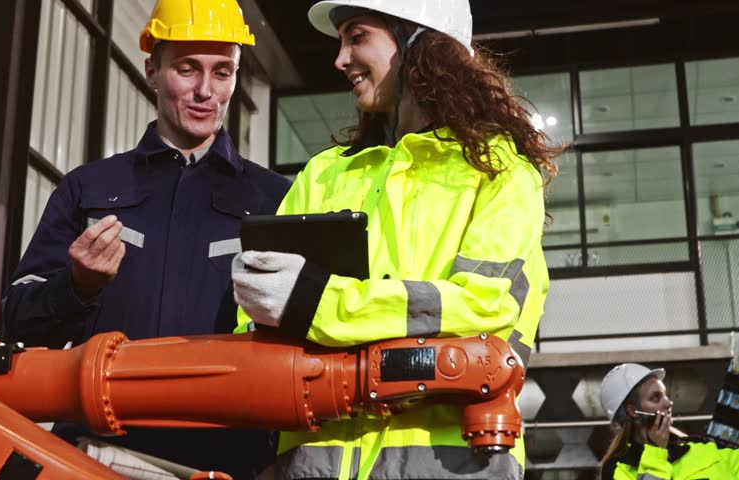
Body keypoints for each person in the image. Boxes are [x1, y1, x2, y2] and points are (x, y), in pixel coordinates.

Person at [230, 0, 560, 478]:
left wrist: (318, 306)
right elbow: (257, 315)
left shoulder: (498, 169)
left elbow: (485, 309)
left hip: (452, 465)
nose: (339, 59)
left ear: (417, 40)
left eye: (356, 36)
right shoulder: (324, 173)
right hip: (309, 466)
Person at [2, 0, 290, 477]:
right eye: (187, 69)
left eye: (223, 72)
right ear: (152, 71)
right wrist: (76, 286)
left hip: (227, 460)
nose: (205, 91)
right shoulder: (88, 188)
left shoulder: (276, 199)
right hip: (97, 451)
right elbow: (18, 321)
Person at [598, 363, 739, 479]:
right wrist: (655, 452)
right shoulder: (619, 470)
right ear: (632, 411)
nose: (668, 403)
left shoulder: (702, 449)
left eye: (666, 395)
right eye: (655, 397)